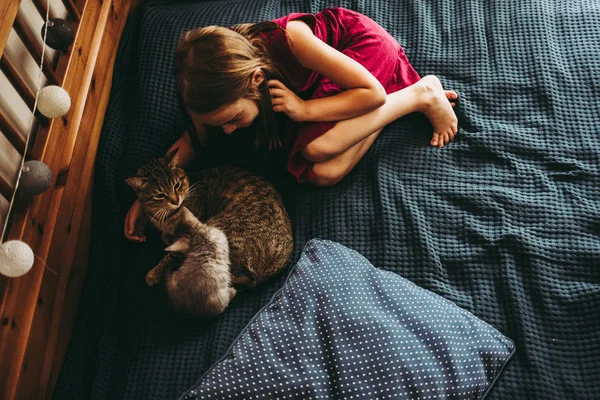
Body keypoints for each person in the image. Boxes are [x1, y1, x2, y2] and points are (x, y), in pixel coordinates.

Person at [124, 7, 458, 242]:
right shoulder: (204, 93)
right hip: (330, 90)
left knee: (315, 148)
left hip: (360, 62)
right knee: (324, 173)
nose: (226, 131)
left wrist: (304, 109)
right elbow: (193, 140)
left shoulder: (293, 39)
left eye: (233, 120)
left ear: (256, 80)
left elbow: (371, 94)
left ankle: (418, 95)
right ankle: (386, 114)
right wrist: (147, 196)